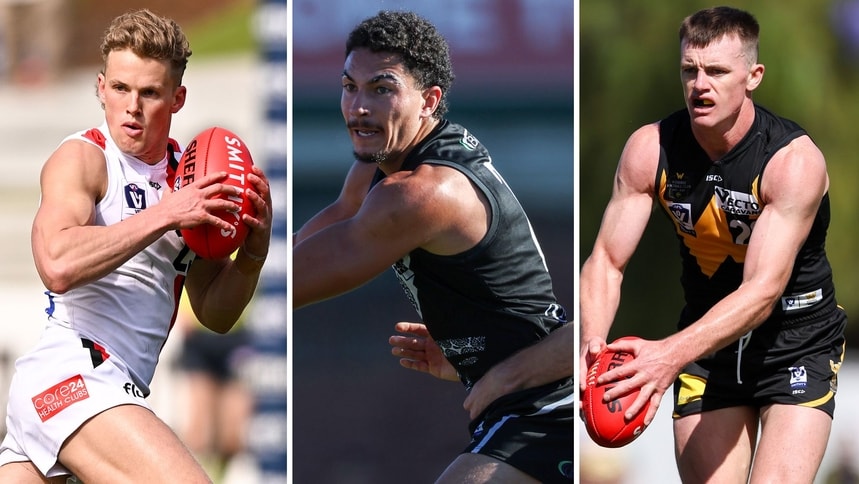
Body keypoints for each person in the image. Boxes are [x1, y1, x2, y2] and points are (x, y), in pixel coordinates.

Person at [293, 10, 573, 484]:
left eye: (381, 89)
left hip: (547, 406)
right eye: (349, 86)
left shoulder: (420, 194)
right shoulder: (384, 162)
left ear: (429, 100)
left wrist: (222, 248)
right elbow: (311, 240)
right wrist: (476, 352)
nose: (358, 107)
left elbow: (289, 282)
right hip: (520, 399)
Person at [0, 9, 272, 483]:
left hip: (104, 388)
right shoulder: (84, 158)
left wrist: (251, 256)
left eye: (149, 93)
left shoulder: (189, 178)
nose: (131, 107)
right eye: (120, 88)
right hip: (71, 375)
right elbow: (56, 264)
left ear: (177, 98)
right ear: (100, 87)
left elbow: (215, 313)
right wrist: (165, 213)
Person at [580, 6, 846, 483]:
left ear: (753, 76)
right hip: (706, 346)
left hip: (795, 342)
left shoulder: (791, 162)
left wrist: (666, 356)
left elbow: (761, 291)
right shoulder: (650, 149)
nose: (700, 85)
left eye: (717, 72)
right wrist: (590, 347)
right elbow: (606, 260)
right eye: (690, 70)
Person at [173, 292, 253, 482]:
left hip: (236, 337)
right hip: (199, 335)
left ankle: (216, 478)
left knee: (232, 439)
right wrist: (182, 312)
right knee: (200, 433)